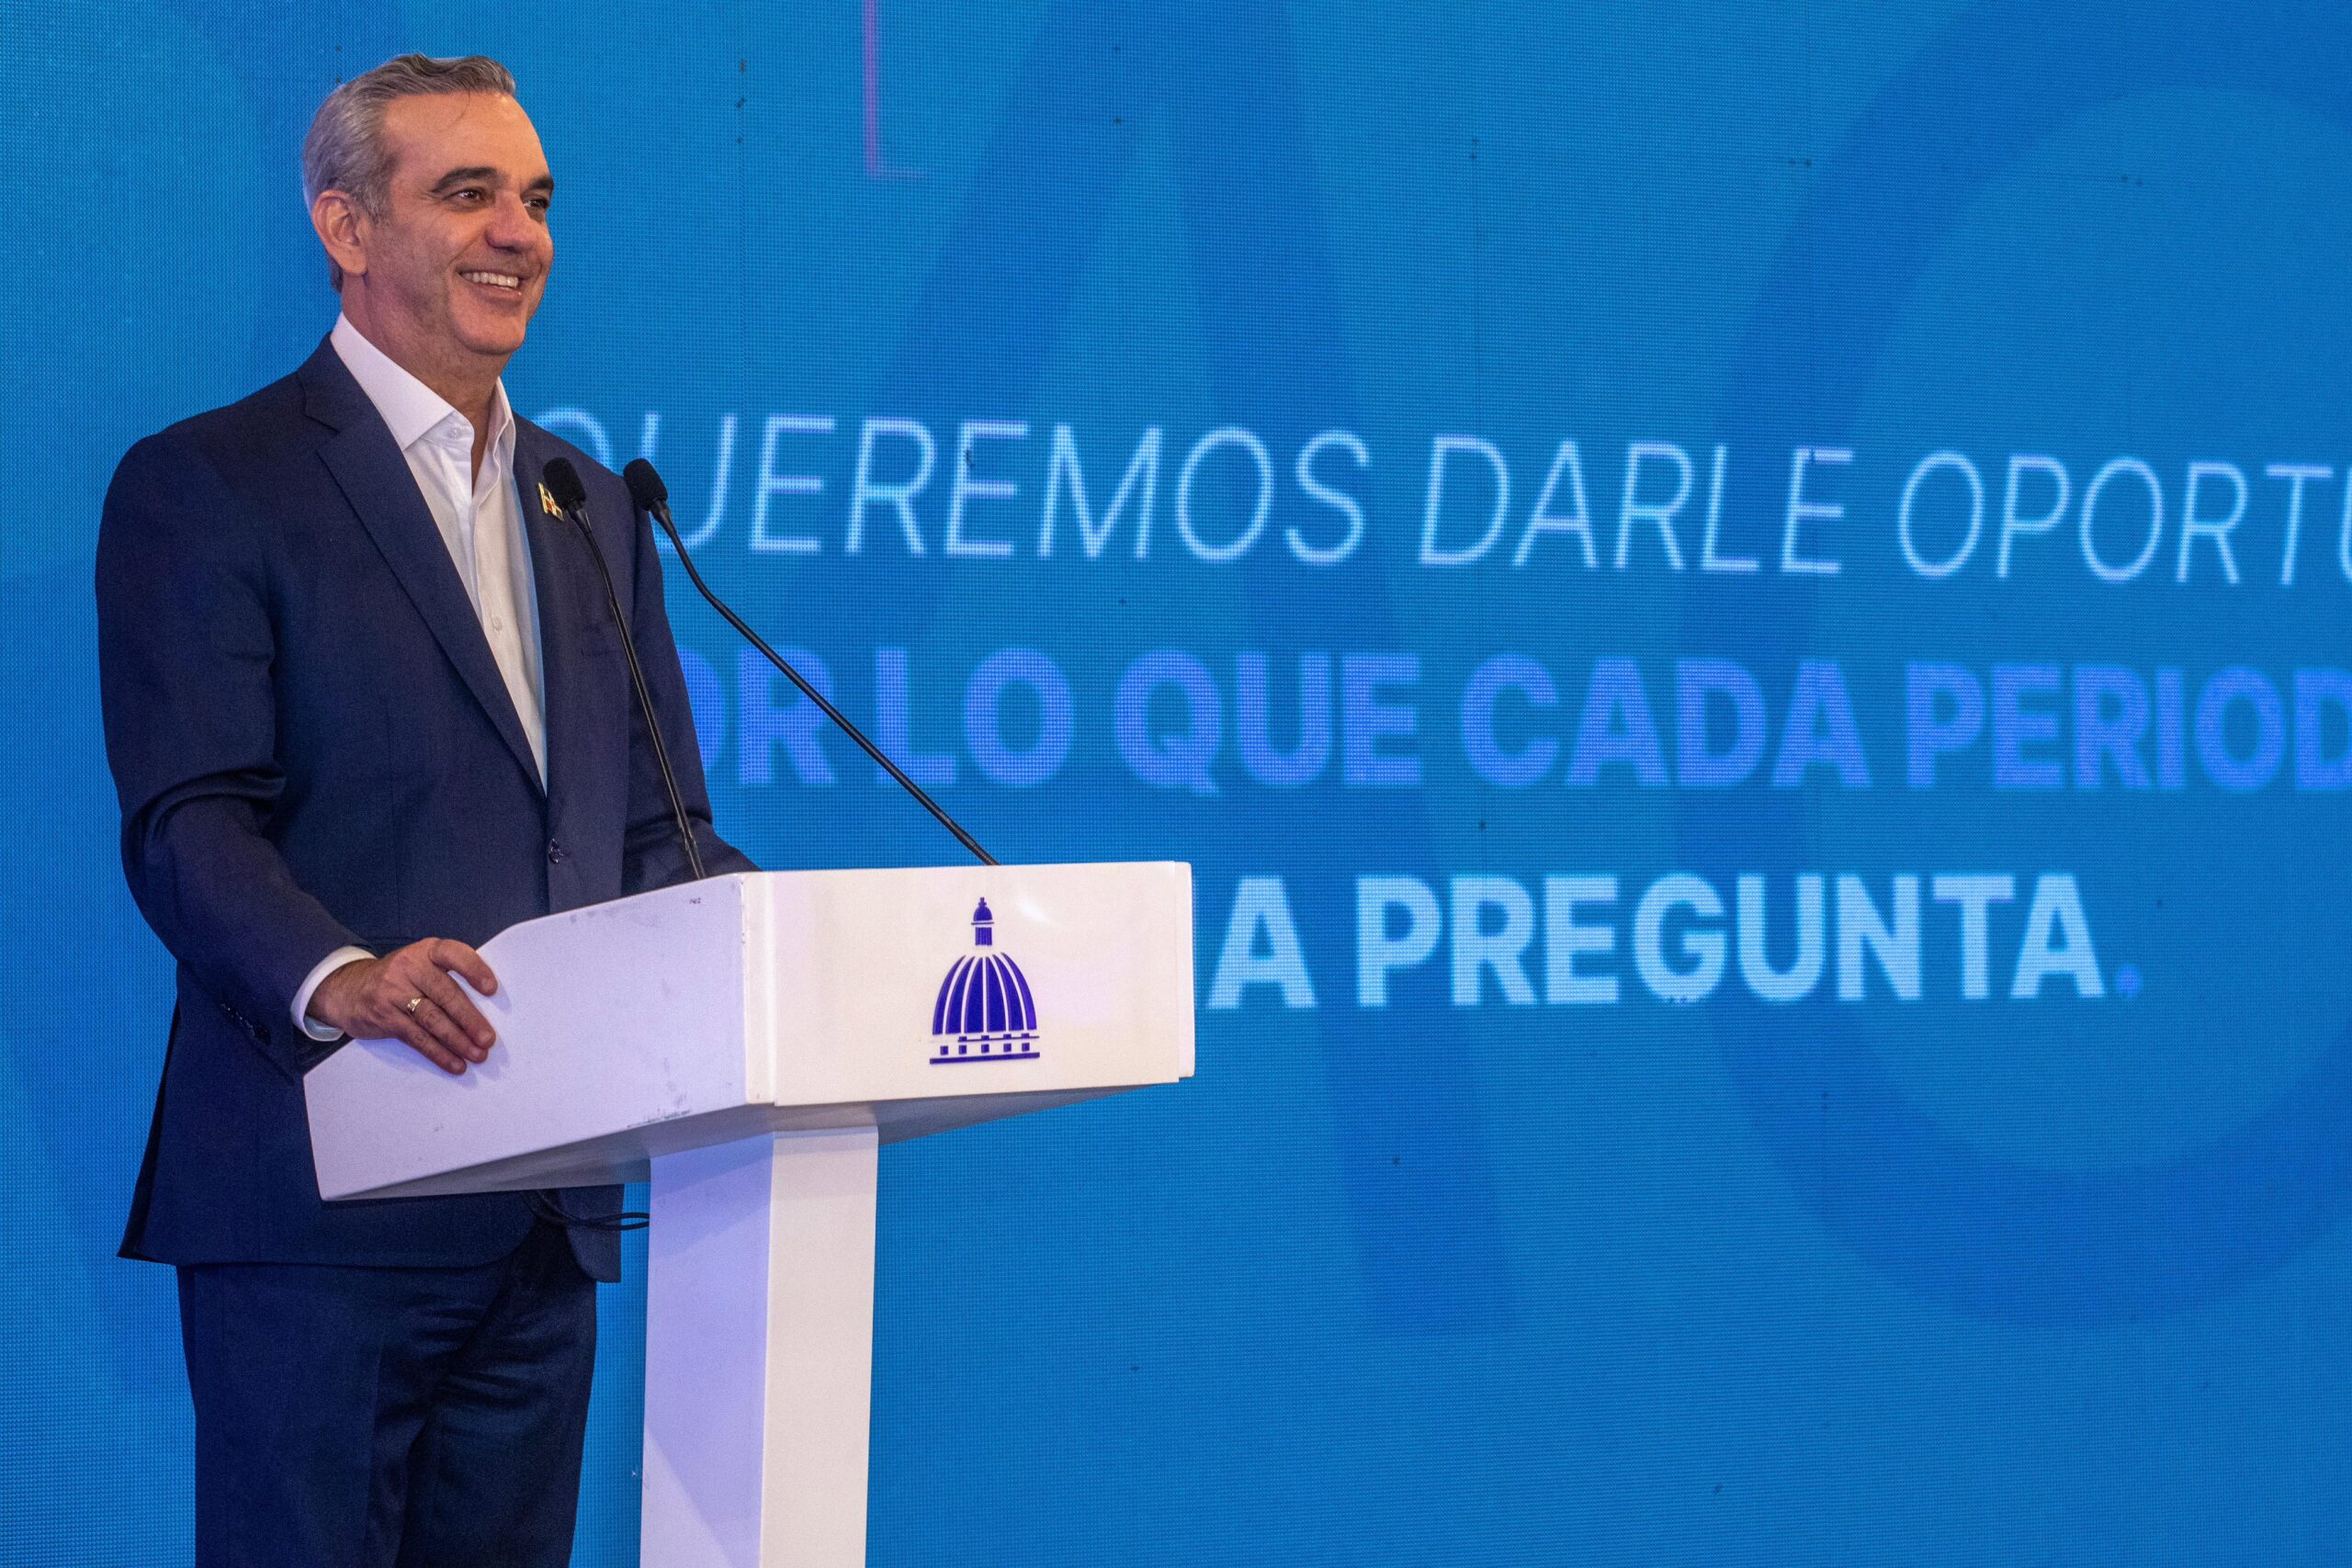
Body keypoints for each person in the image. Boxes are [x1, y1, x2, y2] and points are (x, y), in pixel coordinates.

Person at [94, 53, 752, 1566]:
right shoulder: (215, 482)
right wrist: (343, 978)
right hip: (320, 1199)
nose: (518, 233)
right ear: (345, 226)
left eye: (535, 199)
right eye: (467, 193)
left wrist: (798, 939)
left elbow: (658, 831)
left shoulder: (587, 503)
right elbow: (189, 820)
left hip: (539, 1214)